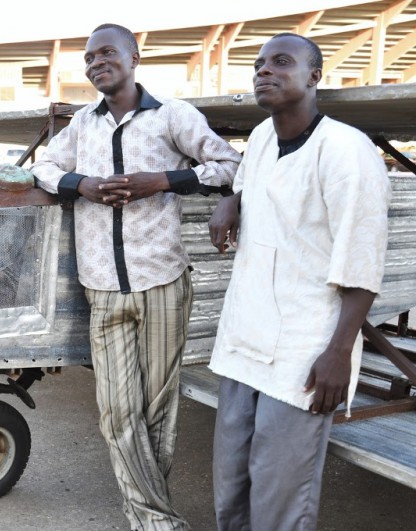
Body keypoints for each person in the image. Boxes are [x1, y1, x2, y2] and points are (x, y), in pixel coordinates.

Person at [30, 23, 240, 531]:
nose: (96, 63)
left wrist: (163, 180)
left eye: (107, 52)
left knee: (157, 411)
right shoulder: (83, 124)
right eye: (88, 57)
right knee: (117, 412)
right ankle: (158, 519)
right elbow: (43, 167)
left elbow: (230, 164)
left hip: (162, 281)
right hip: (103, 286)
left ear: (134, 57)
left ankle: (148, 520)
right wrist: (83, 185)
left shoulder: (172, 116)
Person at [207, 33, 391, 531]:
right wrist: (231, 201)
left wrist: (338, 353)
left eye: (281, 62)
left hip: (302, 350)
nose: (264, 70)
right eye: (259, 64)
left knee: (279, 499)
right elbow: (252, 184)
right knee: (231, 488)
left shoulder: (346, 151)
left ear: (314, 77)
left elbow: (362, 261)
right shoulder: (262, 137)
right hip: (245, 336)